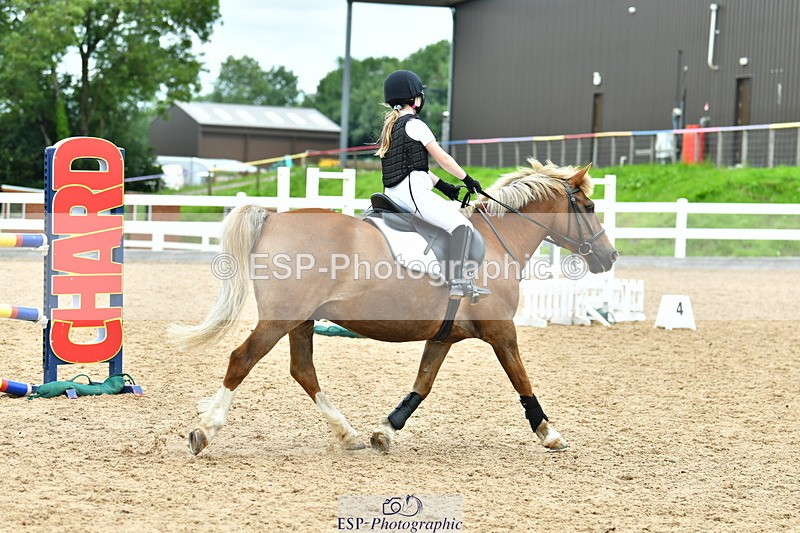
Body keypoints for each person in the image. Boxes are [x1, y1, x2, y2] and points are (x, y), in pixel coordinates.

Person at [375, 70, 490, 302]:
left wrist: (445, 187)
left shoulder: (392, 127)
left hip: (395, 194)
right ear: (415, 99)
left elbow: (416, 169)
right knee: (462, 225)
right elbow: (443, 159)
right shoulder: (415, 124)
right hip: (412, 195)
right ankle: (458, 281)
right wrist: (467, 179)